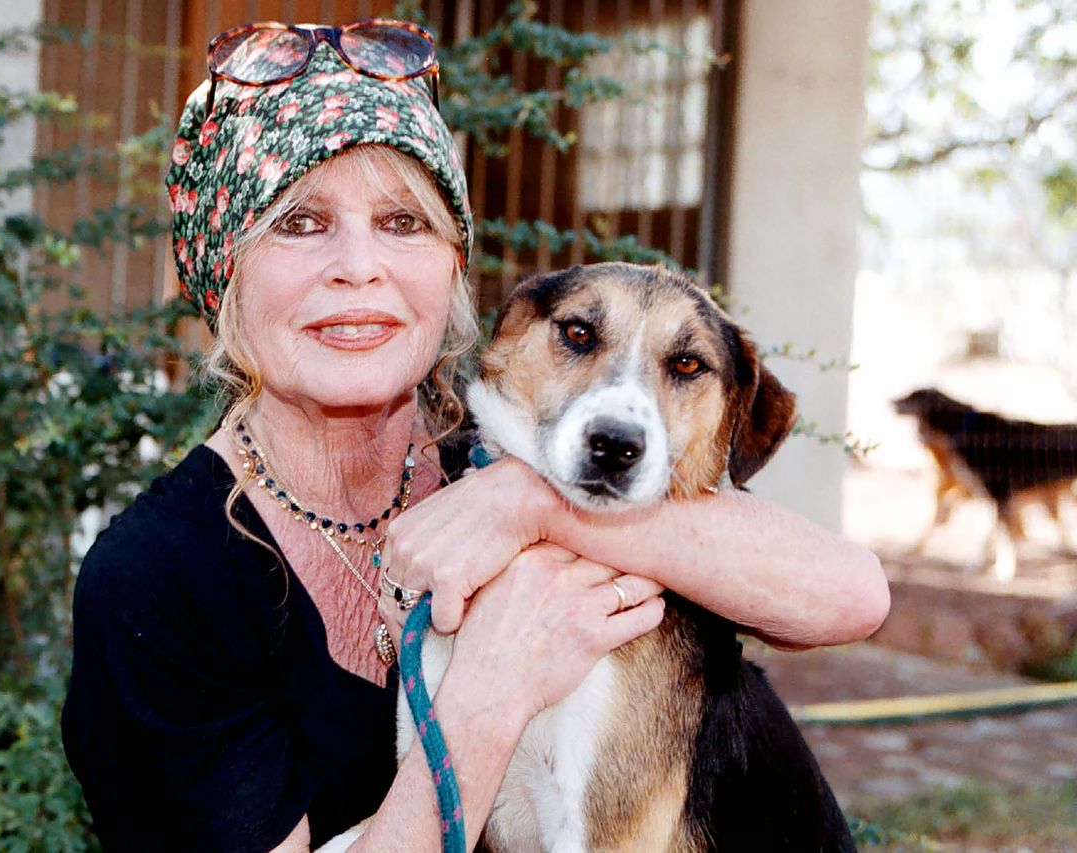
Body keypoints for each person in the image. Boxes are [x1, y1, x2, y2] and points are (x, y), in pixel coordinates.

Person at [61, 19, 889, 853]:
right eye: (300, 222)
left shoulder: (507, 461)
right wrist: (486, 697)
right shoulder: (157, 582)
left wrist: (534, 506)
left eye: (402, 222)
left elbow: (850, 595)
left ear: (454, 265)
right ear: (224, 275)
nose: (359, 265)